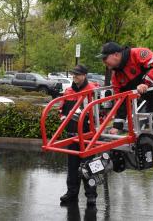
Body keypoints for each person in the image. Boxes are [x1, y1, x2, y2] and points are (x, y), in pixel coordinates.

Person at [97, 42, 153, 134]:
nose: (103, 62)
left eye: (105, 58)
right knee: (152, 124)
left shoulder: (137, 53)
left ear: (116, 54)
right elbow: (121, 101)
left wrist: (145, 83)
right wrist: (117, 127)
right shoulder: (116, 76)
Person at [58, 65, 98, 206]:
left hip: (88, 136)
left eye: (77, 75)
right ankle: (72, 193)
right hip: (72, 135)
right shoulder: (68, 91)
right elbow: (62, 109)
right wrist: (64, 119)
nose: (74, 78)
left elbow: (100, 112)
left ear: (84, 75)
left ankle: (91, 195)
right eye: (73, 75)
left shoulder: (92, 90)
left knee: (89, 167)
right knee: (72, 167)